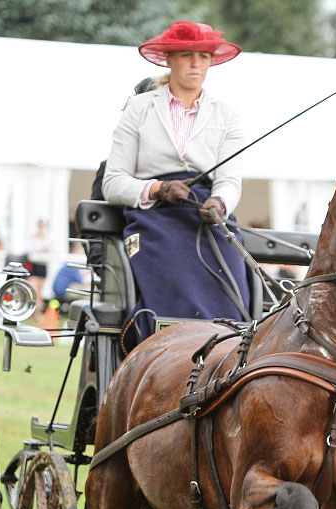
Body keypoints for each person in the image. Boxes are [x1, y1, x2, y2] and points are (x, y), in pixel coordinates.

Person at [102, 20, 250, 351]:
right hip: (154, 216)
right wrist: (156, 189)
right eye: (186, 55)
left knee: (232, 277)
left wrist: (220, 203)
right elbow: (113, 182)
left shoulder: (228, 115)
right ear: (169, 59)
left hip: (207, 216)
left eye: (203, 56)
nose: (196, 64)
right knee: (172, 276)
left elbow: (229, 181)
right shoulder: (139, 109)